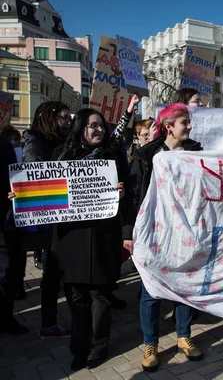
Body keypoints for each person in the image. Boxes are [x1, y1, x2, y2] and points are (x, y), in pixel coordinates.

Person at [49, 96, 136, 370]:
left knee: (100, 295)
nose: (99, 130)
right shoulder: (60, 155)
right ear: (80, 128)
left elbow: (128, 196)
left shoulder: (111, 156)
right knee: (76, 297)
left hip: (102, 237)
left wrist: (120, 194)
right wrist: (23, 197)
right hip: (71, 238)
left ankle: (99, 347)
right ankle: (79, 347)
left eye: (101, 125)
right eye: (92, 126)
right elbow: (43, 187)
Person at [125, 103, 203, 372]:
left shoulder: (197, 152)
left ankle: (184, 336)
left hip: (186, 232)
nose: (189, 127)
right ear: (169, 127)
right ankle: (151, 344)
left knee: (182, 287)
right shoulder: (147, 155)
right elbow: (134, 197)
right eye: (185, 122)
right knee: (151, 290)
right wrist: (128, 232)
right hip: (154, 232)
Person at [19, 101, 73, 339]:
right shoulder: (37, 141)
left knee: (62, 271)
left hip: (66, 215)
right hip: (49, 219)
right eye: (63, 118)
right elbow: (35, 177)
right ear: (49, 118)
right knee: (53, 273)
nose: (67, 122)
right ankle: (48, 324)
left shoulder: (62, 139)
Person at [0, 134, 28, 335]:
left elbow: (11, 175)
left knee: (7, 273)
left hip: (6, 220)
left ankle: (5, 318)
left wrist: (12, 191)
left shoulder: (3, 144)